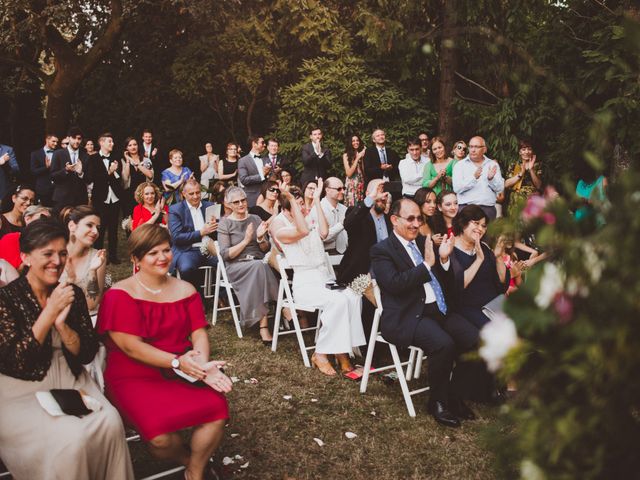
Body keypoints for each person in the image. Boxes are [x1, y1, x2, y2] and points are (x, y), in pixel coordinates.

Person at [0, 218, 134, 479]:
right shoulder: (6, 299)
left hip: (69, 377)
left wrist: (63, 326)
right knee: (70, 438)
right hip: (19, 387)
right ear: (26, 257)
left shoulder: (71, 293)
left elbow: (85, 353)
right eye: (47, 254)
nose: (57, 261)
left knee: (109, 423)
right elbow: (17, 362)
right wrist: (49, 313)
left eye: (62, 253)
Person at [97, 224, 231, 480]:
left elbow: (199, 332)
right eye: (153, 253)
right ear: (136, 258)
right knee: (159, 438)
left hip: (182, 368)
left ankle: (196, 469)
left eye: (166, 250)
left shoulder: (185, 290)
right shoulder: (120, 295)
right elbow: (130, 347)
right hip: (133, 374)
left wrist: (201, 366)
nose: (163, 258)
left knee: (217, 410)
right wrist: (177, 363)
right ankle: (186, 459)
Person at [370, 198, 480, 427]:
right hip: (409, 314)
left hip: (439, 309)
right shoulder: (382, 250)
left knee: (473, 340)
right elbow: (393, 284)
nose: (416, 223)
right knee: (444, 344)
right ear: (394, 220)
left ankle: (454, 396)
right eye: (410, 218)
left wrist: (444, 259)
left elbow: (446, 281)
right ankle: (437, 402)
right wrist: (427, 265)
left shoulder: (423, 242)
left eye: (419, 219)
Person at [270, 179, 366, 376]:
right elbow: (302, 231)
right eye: (297, 207)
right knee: (338, 300)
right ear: (288, 211)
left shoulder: (307, 220)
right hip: (306, 285)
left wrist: (317, 199)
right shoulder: (280, 228)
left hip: (325, 279)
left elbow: (324, 232)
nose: (303, 209)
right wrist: (289, 198)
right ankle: (321, 353)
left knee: (353, 296)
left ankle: (341, 350)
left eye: (303, 205)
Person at [449, 205, 510, 403]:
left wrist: (499, 258)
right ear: (462, 223)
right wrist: (478, 260)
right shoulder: (451, 249)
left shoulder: (484, 248)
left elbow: (501, 284)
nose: (480, 229)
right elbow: (457, 286)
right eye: (476, 223)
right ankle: (488, 389)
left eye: (483, 226)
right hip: (465, 307)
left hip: (492, 304)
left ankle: (496, 385)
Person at [218, 187, 278, 343]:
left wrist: (259, 239)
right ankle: (282, 309)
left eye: (243, 200)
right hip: (237, 265)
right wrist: (246, 240)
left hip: (258, 262)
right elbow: (225, 254)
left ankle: (266, 321)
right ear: (229, 204)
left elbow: (265, 249)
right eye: (236, 202)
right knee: (260, 267)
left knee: (261, 266)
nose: (240, 204)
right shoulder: (225, 223)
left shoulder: (255, 219)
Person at [168, 179, 219, 291]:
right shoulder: (175, 210)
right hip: (188, 250)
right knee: (186, 268)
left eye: (198, 192)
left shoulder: (209, 206)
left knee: (226, 262)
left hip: (210, 249)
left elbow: (218, 234)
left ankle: (221, 295)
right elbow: (176, 238)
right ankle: (197, 296)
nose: (196, 196)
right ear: (184, 194)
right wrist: (201, 232)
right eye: (191, 194)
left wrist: (216, 227)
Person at [86, 132, 128, 265]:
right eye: (109, 141)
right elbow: (91, 178)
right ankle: (98, 254)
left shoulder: (116, 157)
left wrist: (114, 172)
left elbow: (118, 178)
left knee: (113, 228)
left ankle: (113, 256)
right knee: (100, 227)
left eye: (112, 141)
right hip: (100, 198)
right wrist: (109, 173)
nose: (112, 143)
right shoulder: (93, 159)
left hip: (114, 197)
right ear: (101, 143)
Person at [59, 206, 107, 316]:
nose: (95, 232)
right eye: (89, 225)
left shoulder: (97, 257)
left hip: (87, 318)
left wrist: (92, 271)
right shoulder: (54, 254)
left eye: (98, 227)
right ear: (72, 226)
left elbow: (91, 304)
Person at [452, 136, 504, 220]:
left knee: (488, 233)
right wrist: (474, 178)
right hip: (466, 208)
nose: (473, 150)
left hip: (487, 209)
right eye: (471, 146)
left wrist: (491, 179)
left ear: (484, 149)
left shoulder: (492, 165)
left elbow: (499, 188)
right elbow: (457, 188)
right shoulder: (460, 165)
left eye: (476, 147)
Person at [0, 204, 51, 269]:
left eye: (49, 221)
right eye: (42, 217)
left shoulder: (47, 245)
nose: (45, 223)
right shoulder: (10, 239)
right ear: (28, 219)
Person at [50, 126, 89, 211]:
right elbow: (52, 176)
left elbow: (90, 178)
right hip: (62, 198)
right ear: (68, 138)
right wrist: (65, 170)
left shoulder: (85, 155)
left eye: (79, 139)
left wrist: (81, 173)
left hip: (80, 199)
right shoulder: (58, 154)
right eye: (74, 138)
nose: (76, 141)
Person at [308, 177, 348, 254]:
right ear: (327, 190)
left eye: (344, 188)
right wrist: (341, 224)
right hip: (325, 252)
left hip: (345, 251)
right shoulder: (318, 209)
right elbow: (322, 237)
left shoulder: (344, 209)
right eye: (339, 189)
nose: (343, 191)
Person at [504, 139, 543, 214]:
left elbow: (539, 185)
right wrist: (521, 173)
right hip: (516, 200)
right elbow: (506, 184)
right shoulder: (514, 165)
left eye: (529, 149)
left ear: (532, 151)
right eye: (523, 149)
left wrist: (531, 169)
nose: (526, 152)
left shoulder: (537, 165)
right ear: (520, 152)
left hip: (532, 199)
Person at [122, 136, 154, 218]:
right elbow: (125, 178)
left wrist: (137, 164)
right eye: (130, 145)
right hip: (129, 194)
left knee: (144, 219)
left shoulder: (146, 160)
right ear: (126, 148)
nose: (133, 147)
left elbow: (150, 175)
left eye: (135, 144)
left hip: (144, 194)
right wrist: (128, 160)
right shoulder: (123, 161)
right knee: (131, 220)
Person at [238, 135, 270, 207]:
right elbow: (244, 180)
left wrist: (270, 174)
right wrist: (262, 175)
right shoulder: (243, 161)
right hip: (252, 198)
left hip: (267, 198)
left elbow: (270, 177)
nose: (264, 145)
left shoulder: (266, 159)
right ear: (254, 144)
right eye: (262, 142)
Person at [30, 133, 59, 207]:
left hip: (58, 189)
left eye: (57, 142)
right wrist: (46, 167)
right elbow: (33, 172)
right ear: (47, 140)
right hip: (43, 189)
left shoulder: (59, 153)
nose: (55, 144)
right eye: (53, 141)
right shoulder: (35, 154)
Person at [342, 134, 366, 207]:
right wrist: (357, 158)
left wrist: (362, 156)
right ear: (350, 143)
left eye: (357, 140)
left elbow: (364, 172)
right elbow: (349, 173)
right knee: (352, 207)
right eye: (353, 141)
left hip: (361, 184)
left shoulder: (361, 154)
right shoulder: (346, 155)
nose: (356, 142)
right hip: (351, 186)